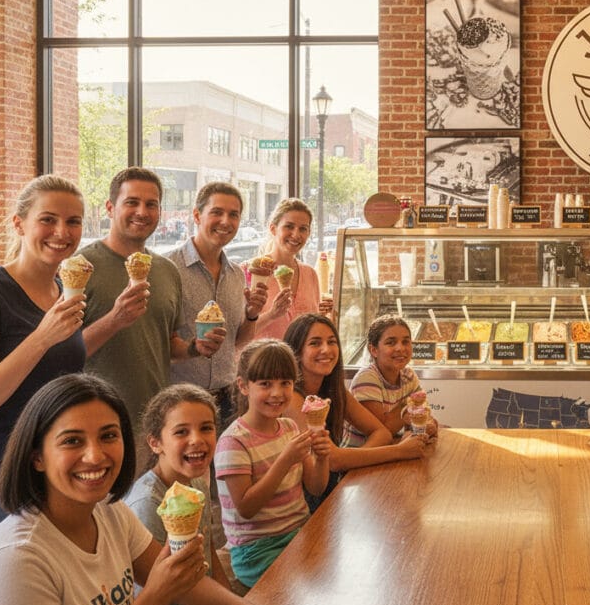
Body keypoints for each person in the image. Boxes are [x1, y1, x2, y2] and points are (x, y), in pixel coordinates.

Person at [0, 374, 273, 605]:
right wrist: (154, 597)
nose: (95, 456)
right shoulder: (14, 563)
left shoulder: (108, 510)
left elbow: (181, 583)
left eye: (108, 435)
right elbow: (162, 589)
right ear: (37, 456)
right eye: (72, 441)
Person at [0, 175, 88, 570]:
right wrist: (41, 338)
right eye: (48, 219)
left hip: (47, 475)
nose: (62, 232)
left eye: (73, 221)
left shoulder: (65, 291)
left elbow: (57, 373)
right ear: (19, 224)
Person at [81, 167, 222, 429]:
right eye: (132, 202)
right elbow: (62, 354)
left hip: (155, 420)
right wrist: (115, 319)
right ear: (110, 208)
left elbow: (168, 345)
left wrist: (195, 348)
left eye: (151, 204)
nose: (142, 212)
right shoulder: (81, 267)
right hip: (97, 420)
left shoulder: (167, 270)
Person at [215, 340, 332, 588]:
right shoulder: (233, 441)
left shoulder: (290, 427)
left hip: (298, 531)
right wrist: (285, 460)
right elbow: (246, 508)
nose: (277, 393)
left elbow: (316, 487)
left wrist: (322, 457)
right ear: (243, 386)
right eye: (265, 384)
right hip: (256, 550)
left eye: (285, 383)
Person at [283, 313, 428, 509]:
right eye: (315, 343)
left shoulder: (334, 390)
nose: (326, 349)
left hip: (333, 492)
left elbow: (382, 432)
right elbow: (333, 460)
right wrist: (399, 451)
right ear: (296, 352)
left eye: (331, 342)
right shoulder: (291, 397)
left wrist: (352, 461)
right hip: (296, 506)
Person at [169, 182, 268, 422]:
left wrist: (252, 314)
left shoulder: (236, 275)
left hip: (228, 398)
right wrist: (195, 347)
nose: (225, 221)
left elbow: (237, 342)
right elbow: (159, 344)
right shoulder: (169, 269)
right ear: (197, 215)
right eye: (217, 212)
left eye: (233, 215)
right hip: (181, 399)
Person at [126, 384, 230, 600]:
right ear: (155, 443)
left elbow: (209, 550)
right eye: (181, 431)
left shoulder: (196, 484)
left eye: (206, 428)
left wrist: (234, 603)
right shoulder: (147, 504)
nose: (197, 439)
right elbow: (162, 592)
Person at [348, 314, 440, 442]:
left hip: (394, 445)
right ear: (373, 350)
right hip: (363, 450)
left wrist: (427, 424)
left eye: (405, 342)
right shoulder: (366, 378)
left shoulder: (408, 376)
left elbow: (423, 417)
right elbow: (382, 431)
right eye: (391, 343)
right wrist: (409, 406)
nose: (400, 348)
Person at [254, 199, 334, 340]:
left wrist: (323, 315)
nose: (296, 235)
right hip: (264, 354)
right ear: (273, 229)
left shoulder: (310, 274)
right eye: (289, 226)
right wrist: (272, 314)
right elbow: (237, 334)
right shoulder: (251, 271)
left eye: (303, 229)